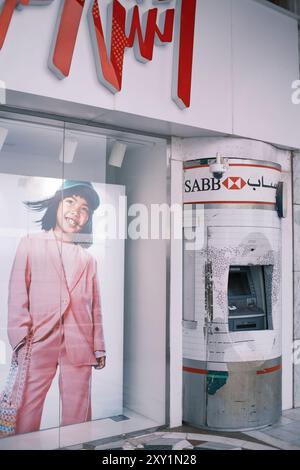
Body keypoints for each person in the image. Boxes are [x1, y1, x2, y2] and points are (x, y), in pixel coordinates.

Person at [7, 180, 105, 434]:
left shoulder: (88, 259)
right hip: (38, 339)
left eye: (84, 208)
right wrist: (20, 337)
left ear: (88, 218)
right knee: (26, 407)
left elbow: (95, 308)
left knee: (79, 410)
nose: (76, 211)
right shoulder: (30, 242)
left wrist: (99, 346)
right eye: (70, 201)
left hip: (79, 342)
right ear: (56, 204)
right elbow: (17, 293)